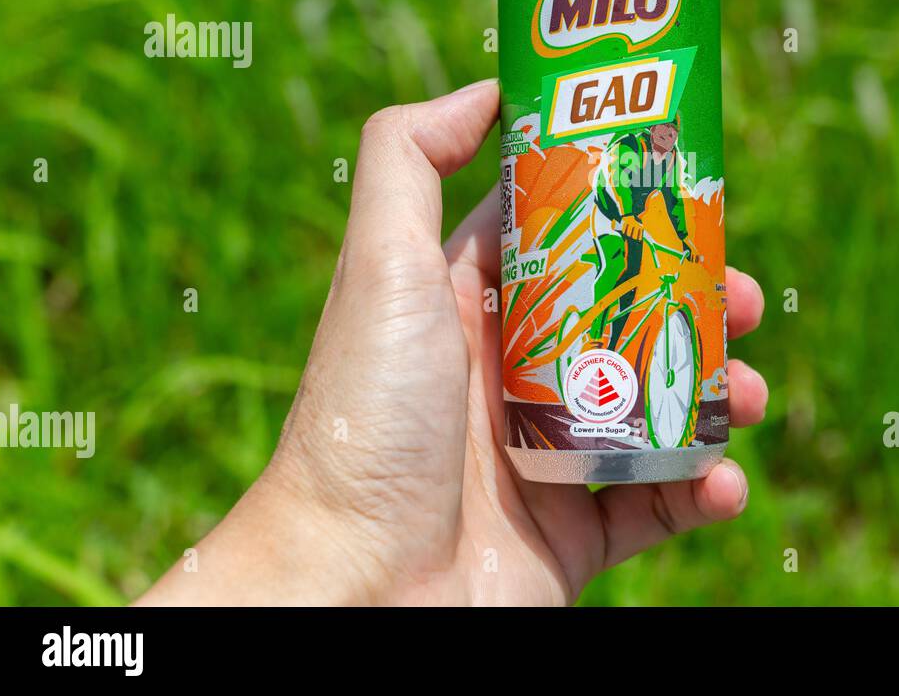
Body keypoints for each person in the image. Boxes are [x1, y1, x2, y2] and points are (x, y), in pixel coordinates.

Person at [136, 80, 768, 606]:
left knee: (672, 288)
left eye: (669, 138)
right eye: (662, 135)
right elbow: (609, 189)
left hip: (503, 534)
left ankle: (647, 385)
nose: (666, 142)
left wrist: (681, 239)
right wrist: (341, 521)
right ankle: (598, 354)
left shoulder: (668, 150)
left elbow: (676, 209)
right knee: (619, 285)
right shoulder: (630, 147)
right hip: (614, 228)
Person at [587, 117, 694, 352]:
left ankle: (614, 347)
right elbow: (618, 181)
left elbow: (673, 198)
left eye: (675, 130)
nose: (670, 134)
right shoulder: (630, 146)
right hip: (610, 215)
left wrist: (684, 237)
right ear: (653, 128)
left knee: (632, 281)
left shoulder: (671, 159)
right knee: (615, 264)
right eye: (666, 127)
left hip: (634, 222)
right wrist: (626, 215)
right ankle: (593, 335)